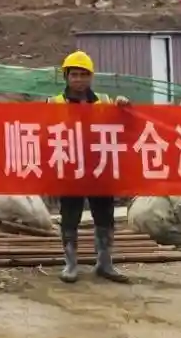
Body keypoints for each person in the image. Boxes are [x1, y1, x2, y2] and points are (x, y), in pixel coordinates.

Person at [51, 51, 131, 284]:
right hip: (70, 170)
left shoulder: (105, 102)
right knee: (70, 217)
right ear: (66, 77)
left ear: (91, 77)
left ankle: (105, 263)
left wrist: (125, 108)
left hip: (100, 168)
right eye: (74, 75)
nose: (79, 79)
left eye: (83, 75)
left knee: (104, 217)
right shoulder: (53, 103)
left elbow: (126, 126)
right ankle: (70, 264)